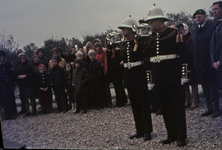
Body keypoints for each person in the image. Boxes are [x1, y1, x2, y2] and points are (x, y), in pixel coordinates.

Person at [144, 5, 187, 146]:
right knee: (166, 107)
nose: (150, 24)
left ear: (160, 19)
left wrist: (184, 74)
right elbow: (149, 61)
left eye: (153, 21)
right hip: (159, 78)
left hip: (173, 76)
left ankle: (181, 136)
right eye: (149, 21)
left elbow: (184, 55)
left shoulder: (174, 33)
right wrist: (150, 79)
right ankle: (172, 135)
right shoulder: (152, 37)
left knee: (177, 107)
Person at [118, 15, 153, 141]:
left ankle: (147, 131)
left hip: (139, 76)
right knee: (135, 105)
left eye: (124, 29)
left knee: (144, 104)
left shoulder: (139, 40)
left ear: (131, 29)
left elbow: (145, 58)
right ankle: (139, 130)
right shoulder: (124, 43)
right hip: (129, 76)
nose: (123, 31)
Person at [193, 9, 220, 118]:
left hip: (210, 63)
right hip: (200, 65)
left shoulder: (211, 28)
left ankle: (216, 109)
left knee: (213, 87)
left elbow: (215, 46)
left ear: (205, 17)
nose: (197, 19)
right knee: (205, 87)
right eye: (196, 17)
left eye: (199, 16)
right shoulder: (195, 31)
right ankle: (209, 108)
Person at [177, 23, 198, 110]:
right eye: (179, 29)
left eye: (182, 29)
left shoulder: (190, 37)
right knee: (185, 83)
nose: (181, 31)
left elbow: (191, 50)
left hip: (191, 62)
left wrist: (182, 54)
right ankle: (187, 101)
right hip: (182, 62)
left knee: (193, 82)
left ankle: (194, 101)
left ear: (185, 28)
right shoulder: (180, 38)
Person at [106, 33, 127, 107]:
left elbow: (120, 57)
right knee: (116, 86)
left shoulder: (118, 48)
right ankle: (119, 101)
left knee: (119, 85)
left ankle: (122, 101)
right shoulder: (109, 49)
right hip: (113, 69)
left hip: (118, 68)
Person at [210, 1, 222, 117]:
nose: (214, 11)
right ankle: (216, 109)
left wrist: (220, 61)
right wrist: (213, 61)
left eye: (216, 9)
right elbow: (212, 46)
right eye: (213, 9)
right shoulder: (216, 25)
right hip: (216, 64)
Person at [0, 50, 17, 120]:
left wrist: (13, 85)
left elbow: (12, 75)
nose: (0, 58)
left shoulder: (8, 64)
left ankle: (13, 113)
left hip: (8, 85)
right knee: (4, 100)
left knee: (10, 99)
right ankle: (7, 114)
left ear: (4, 57)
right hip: (2, 85)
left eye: (1, 57)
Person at [94, 42, 112, 107]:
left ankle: (108, 102)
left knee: (106, 88)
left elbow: (105, 62)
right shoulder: (95, 54)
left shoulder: (104, 52)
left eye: (99, 47)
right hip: (98, 73)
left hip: (103, 72)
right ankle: (103, 102)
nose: (98, 48)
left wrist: (105, 72)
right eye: (96, 47)